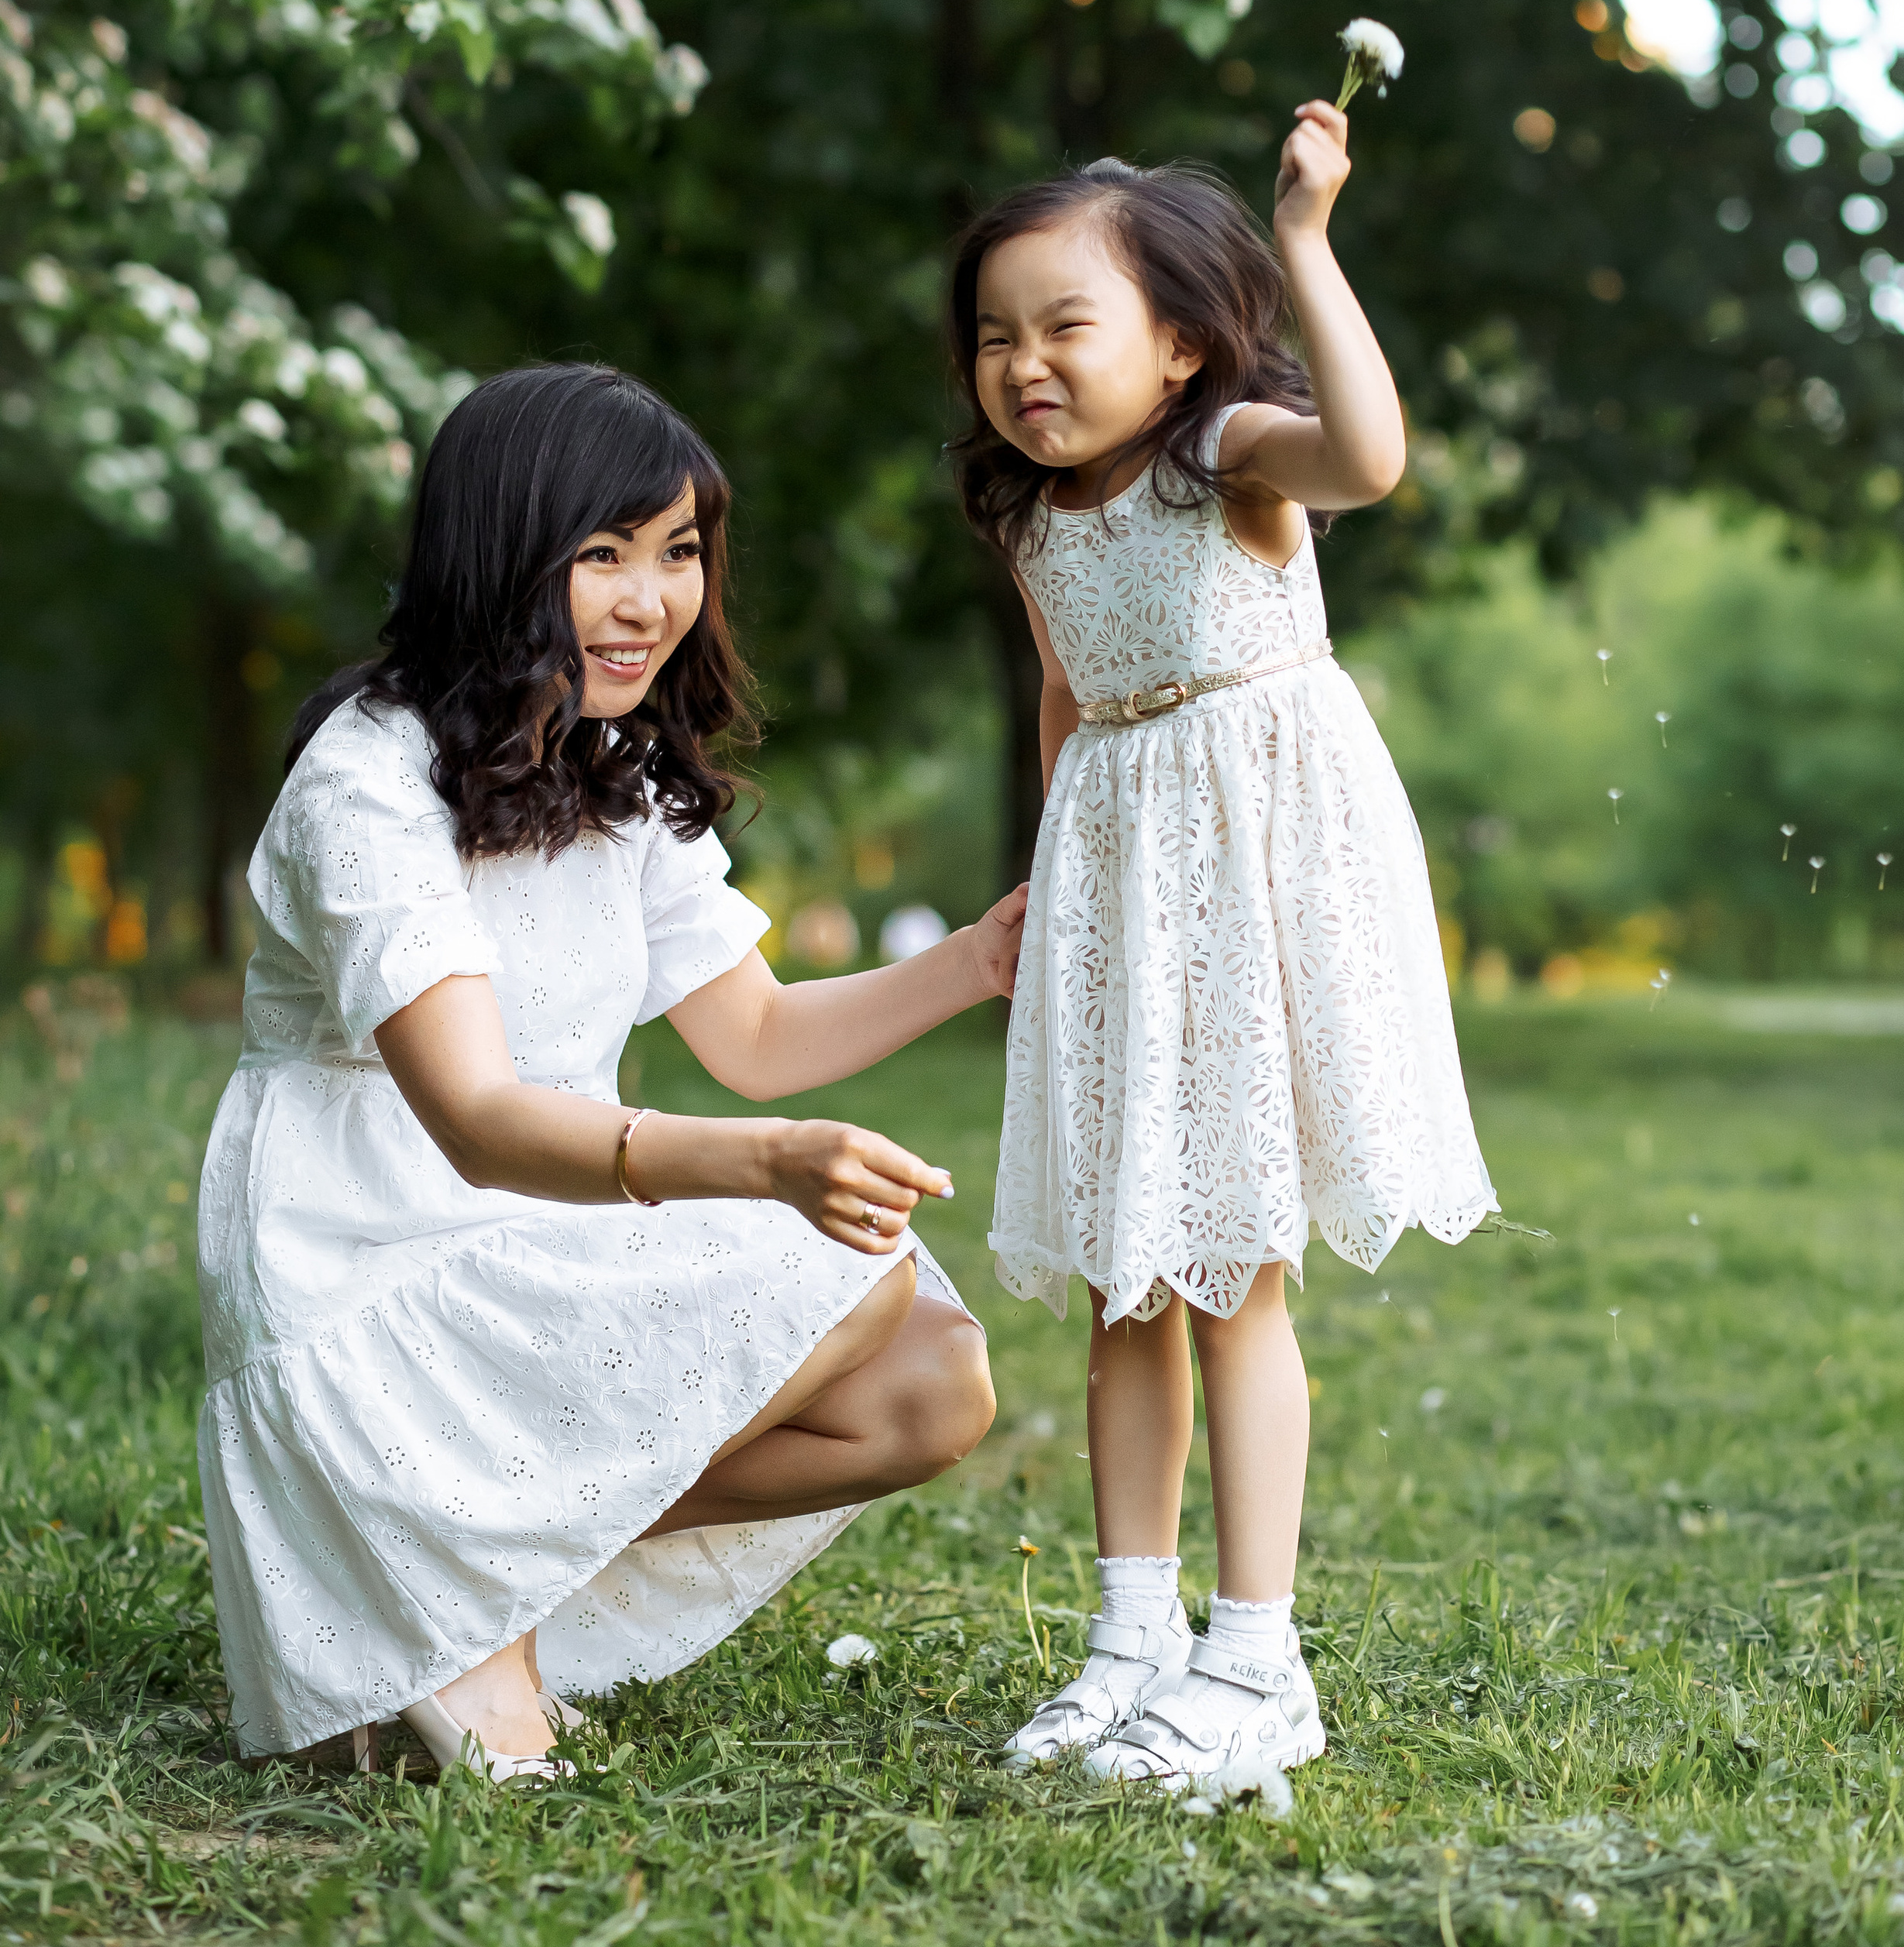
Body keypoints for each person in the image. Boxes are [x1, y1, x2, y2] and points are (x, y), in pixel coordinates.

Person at [197, 363, 1023, 1782]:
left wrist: (984, 958)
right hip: (375, 1251)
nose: (651, 600)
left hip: (547, 1229)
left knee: (934, 1388)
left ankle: (465, 1576)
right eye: (603, 555)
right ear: (501, 557)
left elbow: (755, 1035)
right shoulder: (369, 781)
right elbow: (474, 1119)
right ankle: (442, 1609)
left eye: (680, 552)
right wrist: (760, 1166)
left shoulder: (611, 766)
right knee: (857, 1276)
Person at [947, 105, 1496, 1792]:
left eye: (1063, 326)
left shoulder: (1234, 461)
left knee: (1230, 1271)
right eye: (992, 336)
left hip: (1255, 890)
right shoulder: (1032, 519)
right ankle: (1134, 1641)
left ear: (1177, 345)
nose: (1023, 364)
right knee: (1124, 1281)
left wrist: (1311, 243)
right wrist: (1061, 897)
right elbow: (1066, 703)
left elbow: (1374, 461)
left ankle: (1257, 1661)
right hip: (1122, 891)